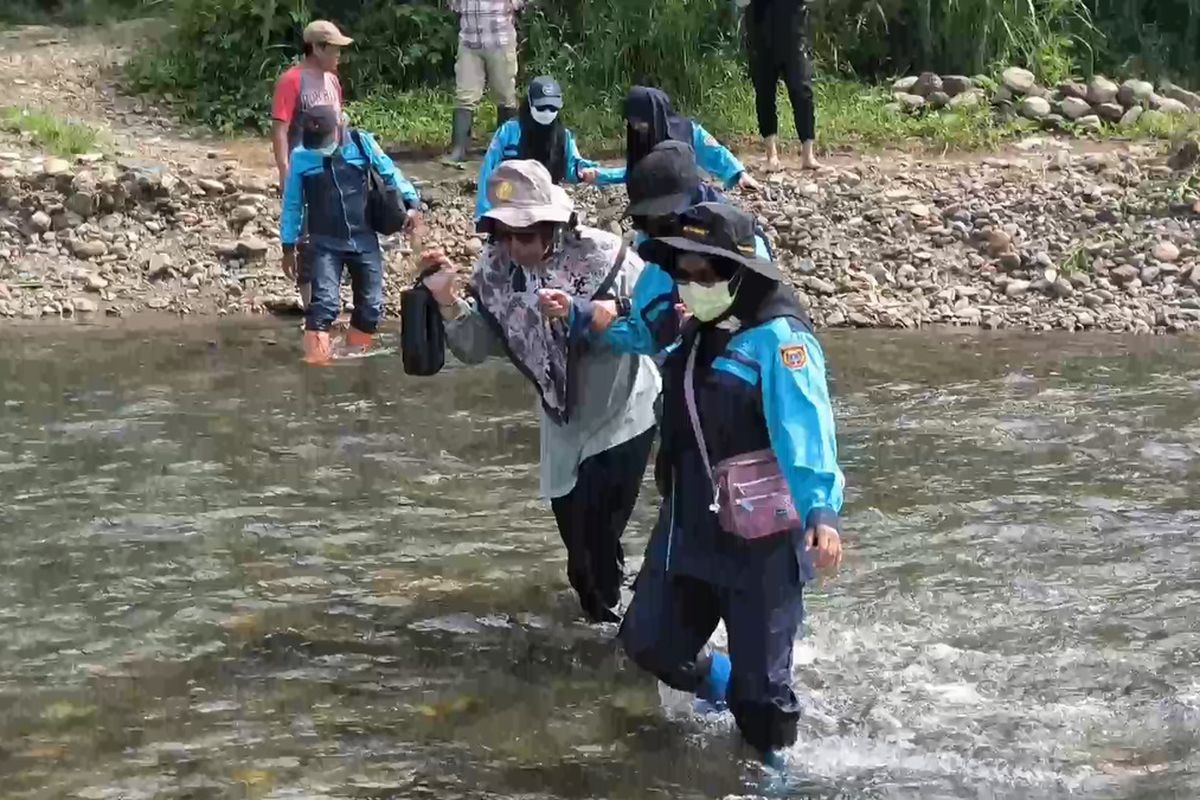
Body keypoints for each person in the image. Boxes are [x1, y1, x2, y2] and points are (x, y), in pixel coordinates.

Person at [610, 203, 844, 767]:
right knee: (648, 644)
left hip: (761, 541)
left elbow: (804, 427)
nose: (693, 286)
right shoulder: (693, 330)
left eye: (707, 274)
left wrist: (821, 512)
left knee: (761, 700)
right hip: (688, 530)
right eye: (684, 273)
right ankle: (722, 681)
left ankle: (773, 764)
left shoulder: (779, 339)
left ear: (740, 273)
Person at [419, 160, 660, 624]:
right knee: (579, 558)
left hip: (624, 413)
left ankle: (626, 631)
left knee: (595, 543)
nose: (515, 246)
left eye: (525, 235)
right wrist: (446, 299)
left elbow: (662, 315)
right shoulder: (495, 272)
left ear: (553, 226)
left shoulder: (606, 256)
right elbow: (478, 345)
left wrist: (596, 311)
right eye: (504, 235)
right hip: (562, 424)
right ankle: (616, 614)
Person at [600, 140, 774, 357]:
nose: (655, 228)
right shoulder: (661, 259)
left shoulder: (741, 245)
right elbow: (644, 333)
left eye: (662, 216)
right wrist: (584, 319)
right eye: (646, 219)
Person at [279, 105, 423, 364]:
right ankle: (317, 370)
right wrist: (287, 246)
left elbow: (391, 174)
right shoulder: (301, 156)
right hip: (324, 241)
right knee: (323, 306)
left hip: (363, 237)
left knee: (370, 308)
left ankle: (355, 362)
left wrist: (412, 204)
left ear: (338, 129)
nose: (318, 147)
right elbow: (292, 204)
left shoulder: (361, 142)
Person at [474, 76, 618, 221]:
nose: (547, 112)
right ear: (530, 104)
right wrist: (484, 215)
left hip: (545, 201)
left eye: (552, 108)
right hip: (510, 198)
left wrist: (588, 172)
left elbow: (573, 168)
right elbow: (488, 171)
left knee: (565, 207)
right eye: (542, 107)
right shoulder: (508, 132)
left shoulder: (563, 136)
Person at [595, 86, 760, 192]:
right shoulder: (640, 138)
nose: (636, 127)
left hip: (687, 202)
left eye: (640, 122)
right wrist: (599, 175)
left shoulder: (688, 132)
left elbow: (716, 153)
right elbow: (634, 172)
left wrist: (740, 175)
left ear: (655, 117)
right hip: (650, 211)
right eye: (632, 122)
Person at [739, 0, 820, 170]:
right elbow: (741, 2)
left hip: (793, 35)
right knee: (764, 93)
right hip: (761, 37)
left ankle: (808, 155)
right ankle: (771, 155)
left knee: (802, 91)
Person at [445, 0, 525, 164]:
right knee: (465, 95)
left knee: (505, 95)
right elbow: (453, 4)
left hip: (501, 41)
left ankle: (507, 148)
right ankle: (459, 150)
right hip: (469, 42)